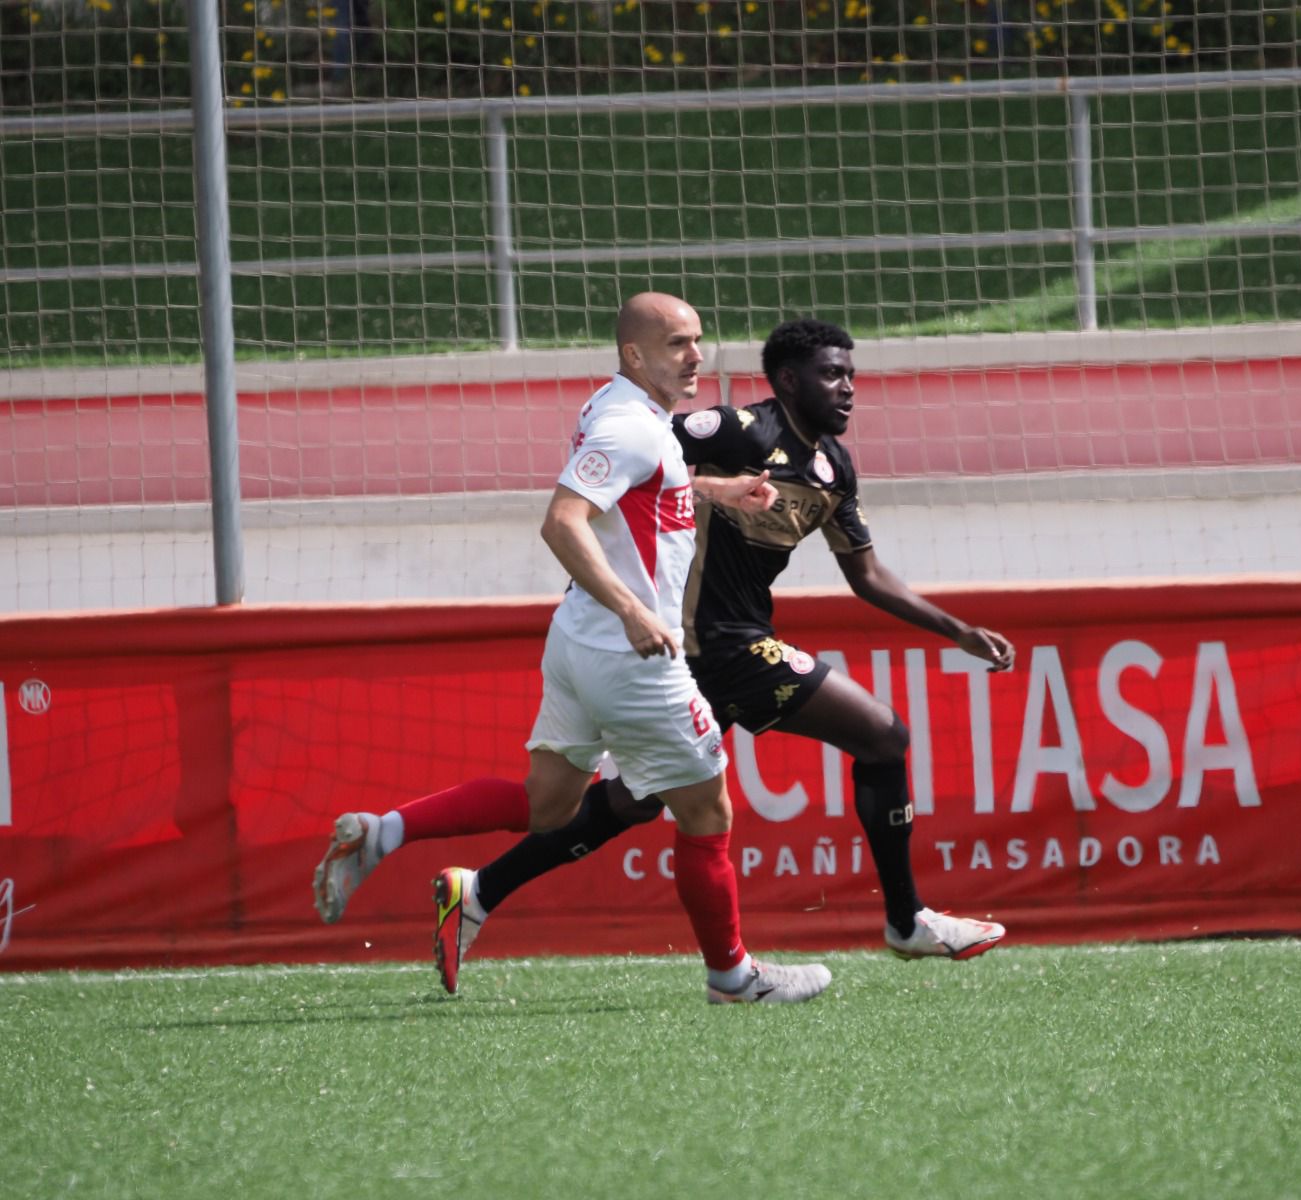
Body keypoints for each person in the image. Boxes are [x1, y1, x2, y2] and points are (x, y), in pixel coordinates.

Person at [317, 318, 1014, 983]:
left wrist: (955, 629)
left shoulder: (834, 467)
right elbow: (643, 454)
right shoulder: (737, 427)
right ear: (789, 380)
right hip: (711, 644)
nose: (848, 387)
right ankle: (868, 932)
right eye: (832, 374)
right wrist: (653, 553)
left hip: (679, 654)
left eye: (851, 374)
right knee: (881, 737)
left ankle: (474, 891)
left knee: (606, 804)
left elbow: (865, 574)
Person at [313, 293, 832, 1006]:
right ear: (634, 354)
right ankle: (733, 977)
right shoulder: (630, 427)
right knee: (707, 811)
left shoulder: (620, 411)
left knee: (548, 805)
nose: (696, 357)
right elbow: (562, 522)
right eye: (678, 343)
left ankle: (382, 833)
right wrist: (632, 611)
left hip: (576, 643)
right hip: (627, 654)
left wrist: (718, 489)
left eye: (698, 341)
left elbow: (640, 492)